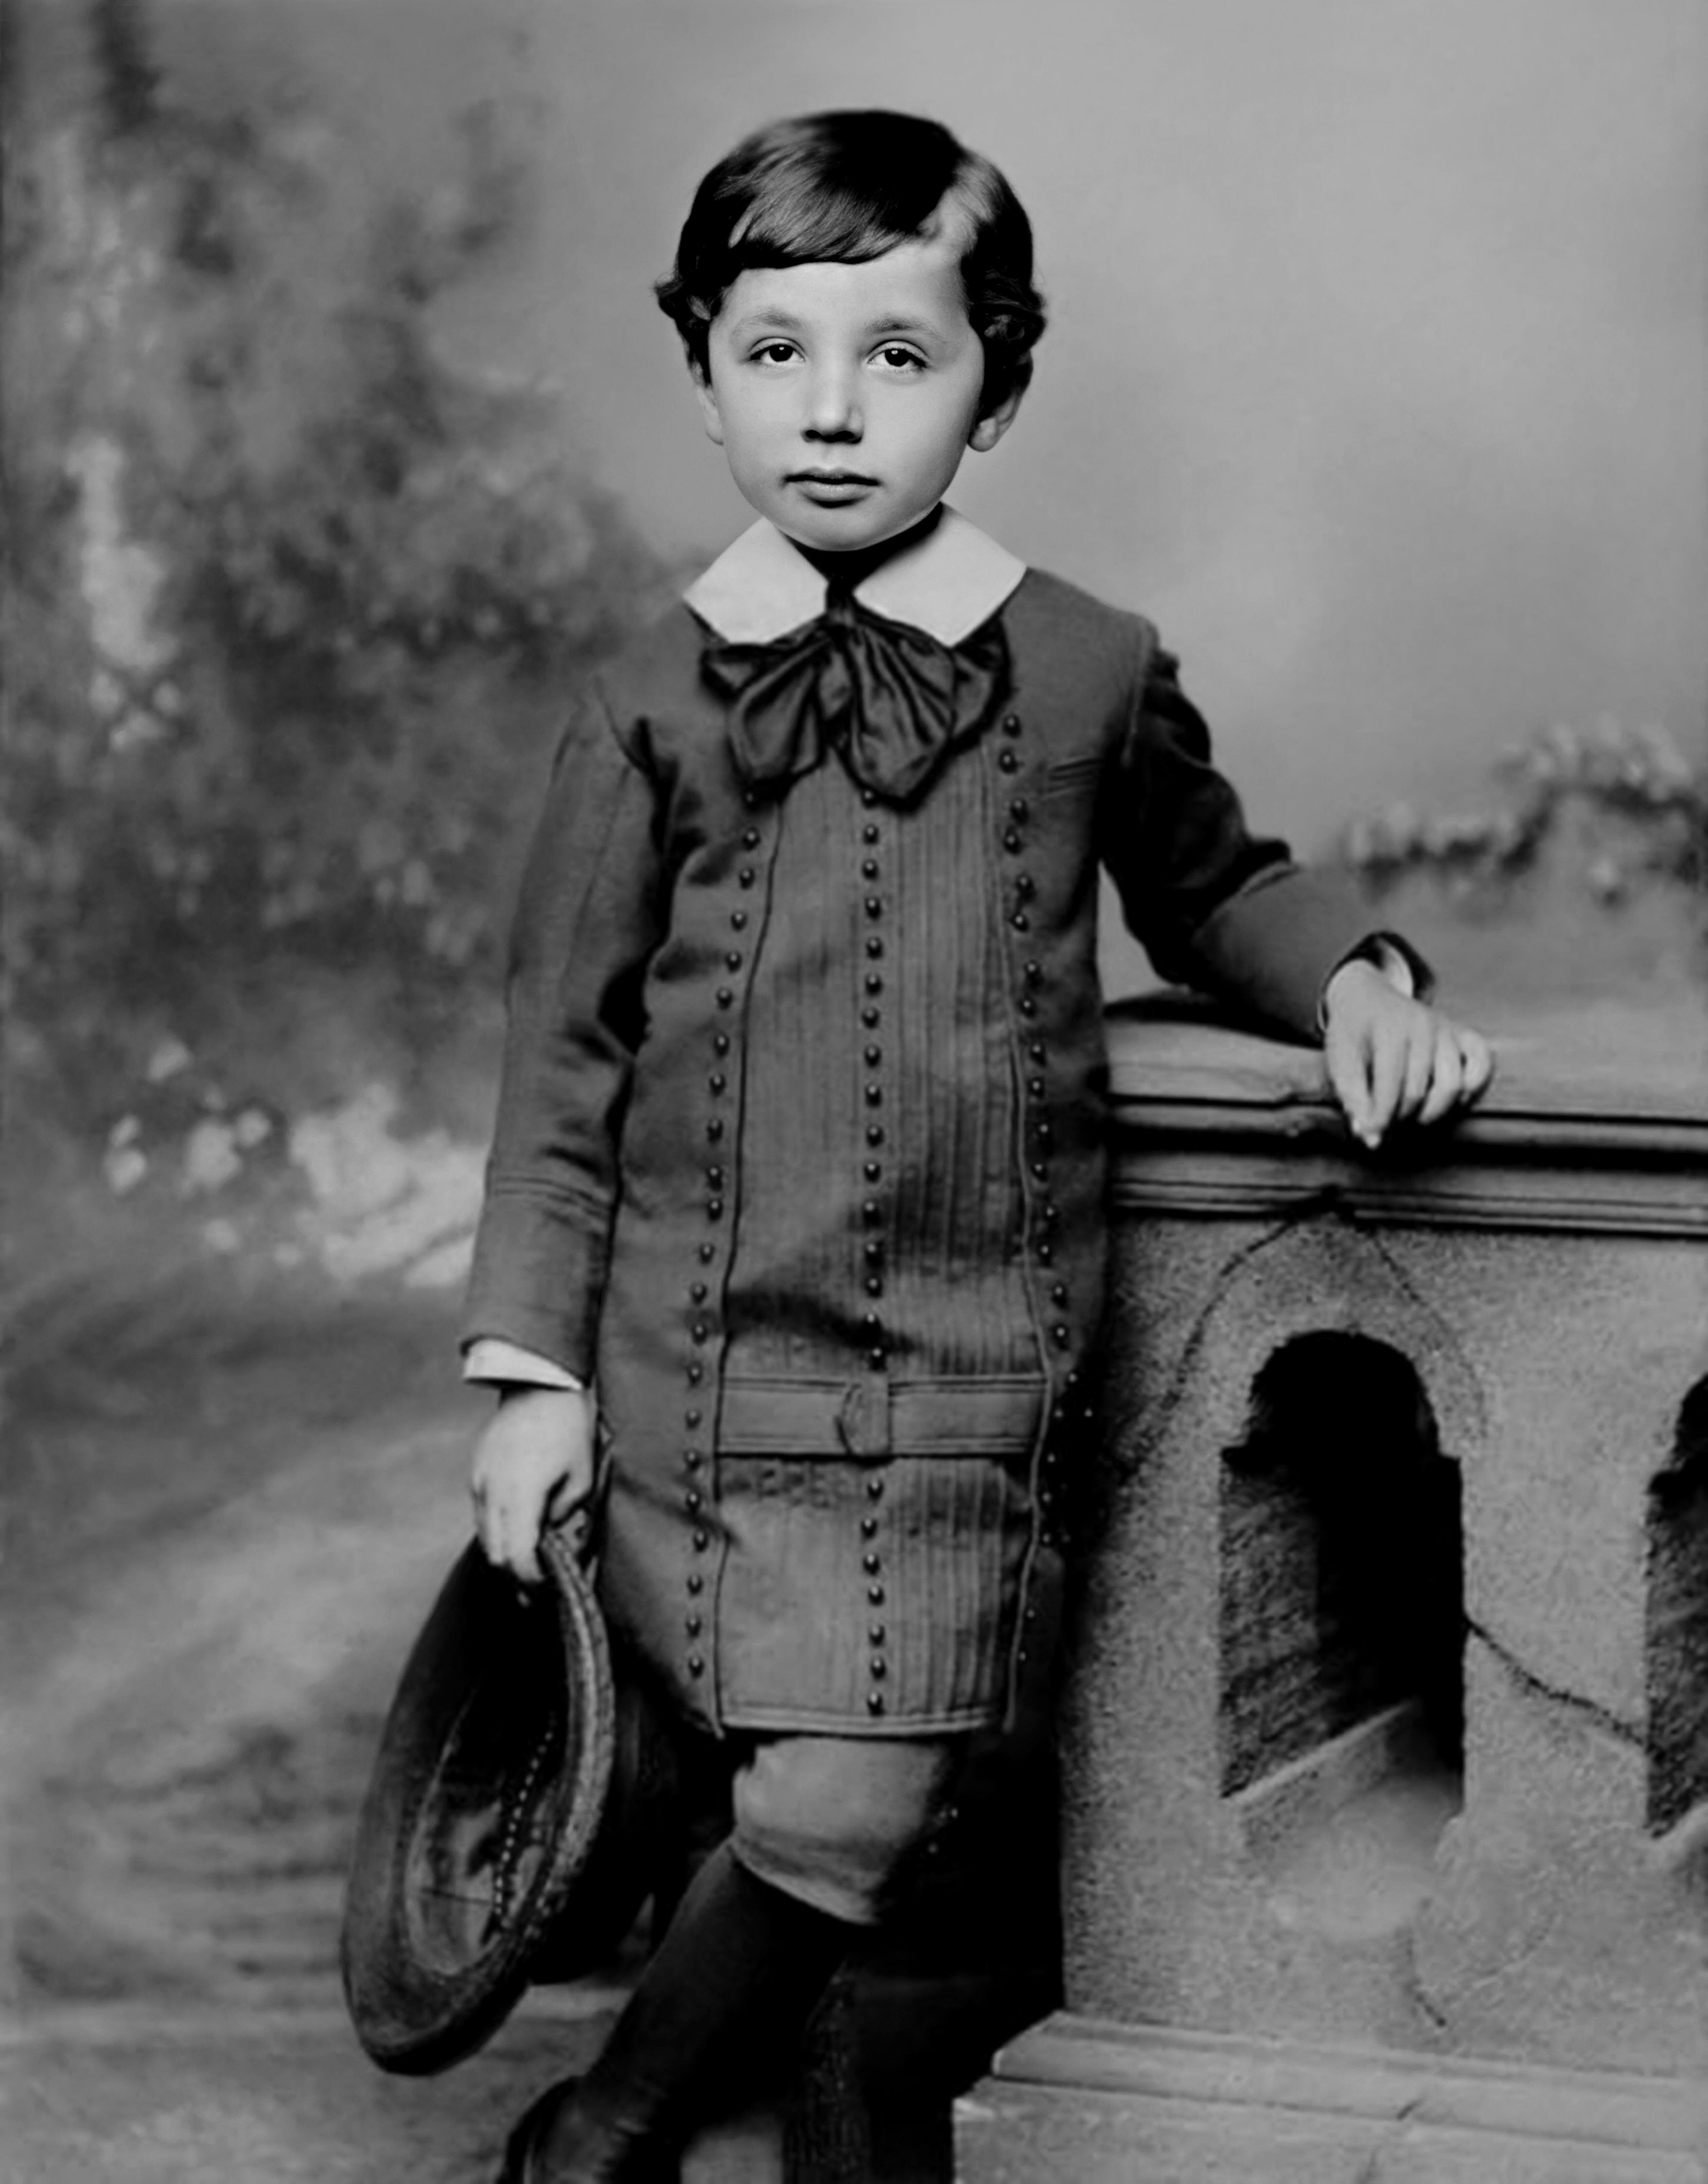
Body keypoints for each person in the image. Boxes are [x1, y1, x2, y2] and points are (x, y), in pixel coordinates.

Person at [459, 108, 1493, 2181]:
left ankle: (603, 2132)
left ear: (997, 381)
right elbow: (557, 1075)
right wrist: (533, 1382)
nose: (830, 414)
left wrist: (1357, 978)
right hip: (701, 1384)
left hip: (964, 1382)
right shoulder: (643, 703)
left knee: (868, 1808)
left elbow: (1215, 894)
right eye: (775, 353)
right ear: (706, 364)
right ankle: (667, 2113)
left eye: (900, 357)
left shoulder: (1092, 668)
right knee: (812, 1806)